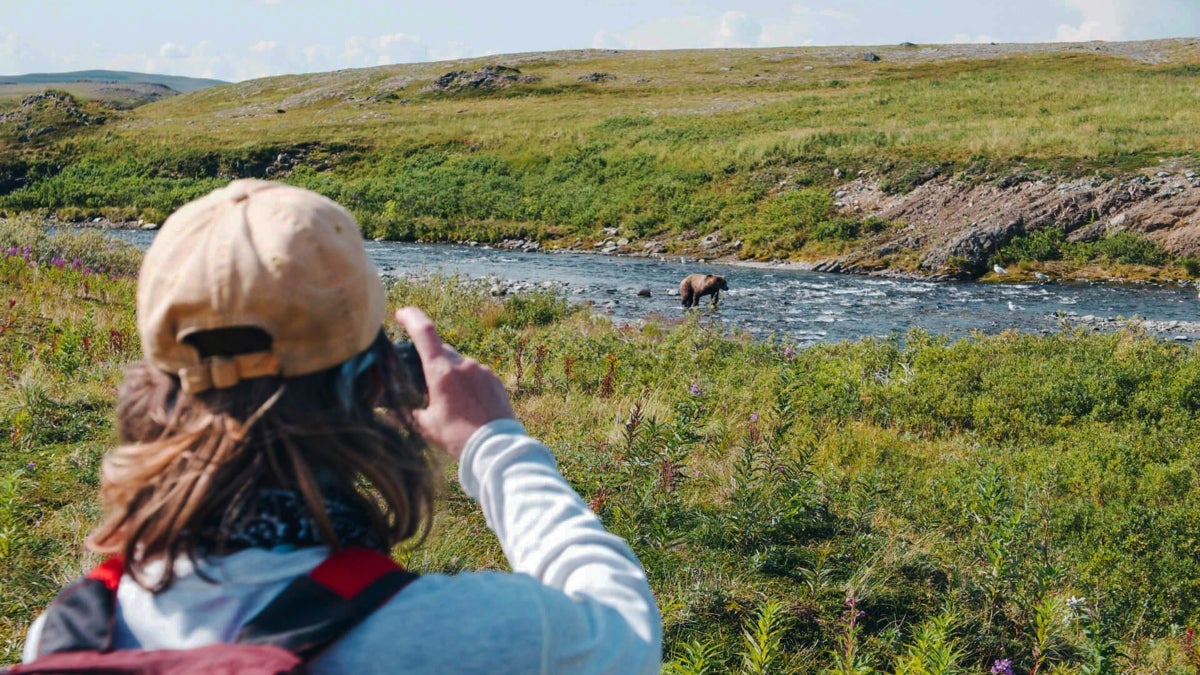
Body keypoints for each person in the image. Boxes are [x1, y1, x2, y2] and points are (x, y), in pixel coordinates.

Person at [19, 179, 662, 673]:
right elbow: (627, 628)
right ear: (376, 381)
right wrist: (493, 441)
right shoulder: (459, 635)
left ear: (154, 387)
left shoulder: (71, 634)